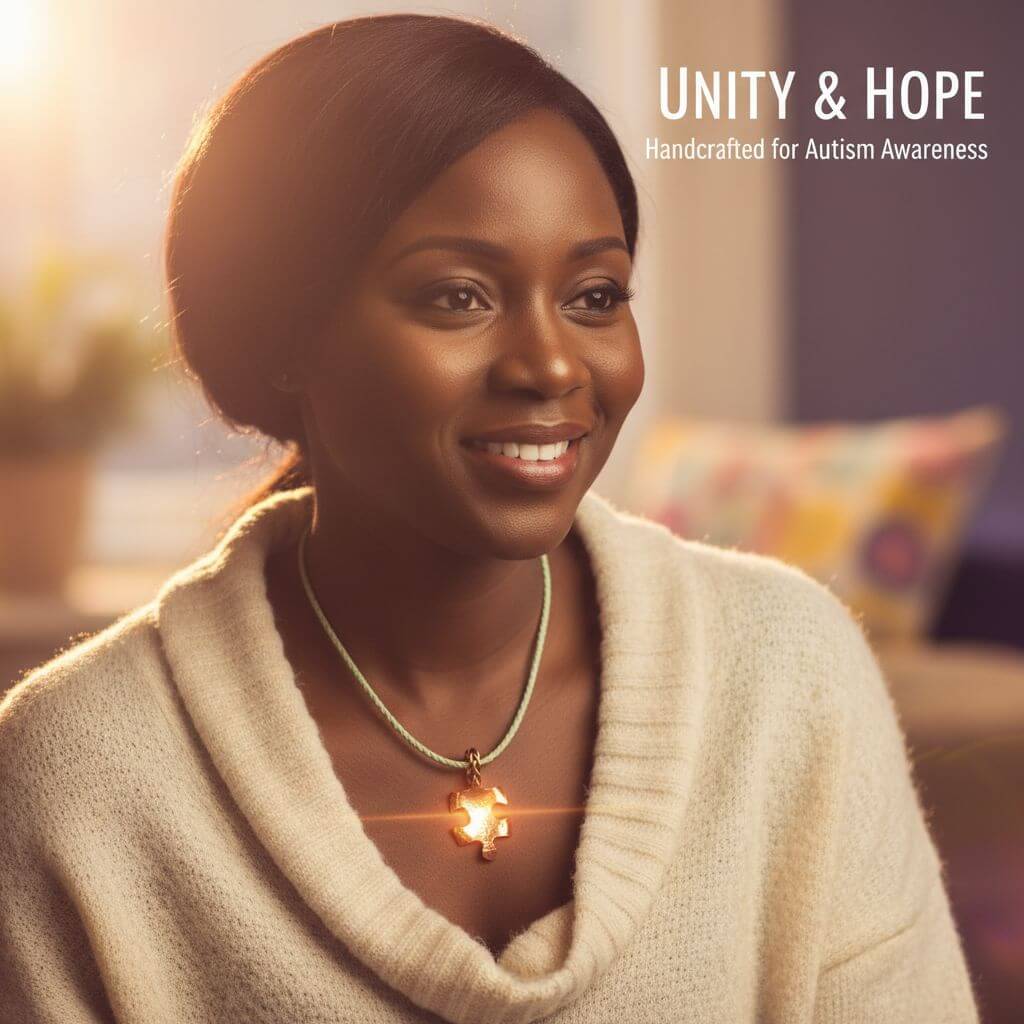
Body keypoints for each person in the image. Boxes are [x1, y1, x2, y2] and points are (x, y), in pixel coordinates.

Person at [0, 14, 978, 1024]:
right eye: (459, 296)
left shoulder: (789, 673)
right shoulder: (83, 770)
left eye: (595, 295)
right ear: (284, 333)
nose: (552, 366)